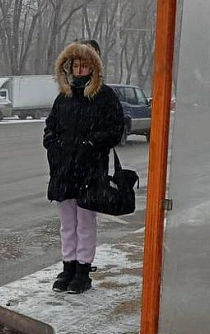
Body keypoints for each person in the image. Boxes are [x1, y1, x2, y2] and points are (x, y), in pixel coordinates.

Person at [43, 42, 124, 294]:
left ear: (94, 67)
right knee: (67, 223)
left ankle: (83, 270)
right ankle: (67, 267)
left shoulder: (105, 97)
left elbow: (114, 130)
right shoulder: (63, 98)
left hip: (90, 171)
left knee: (85, 222)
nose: (79, 69)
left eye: (85, 64)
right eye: (76, 65)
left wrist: (89, 144)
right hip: (64, 171)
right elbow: (50, 128)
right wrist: (53, 145)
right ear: (69, 67)